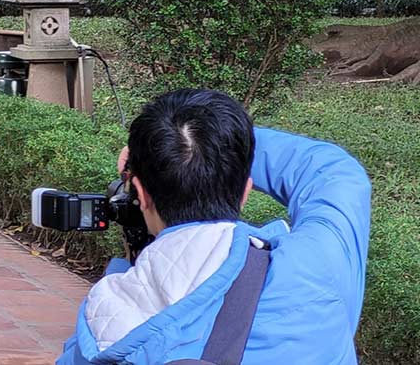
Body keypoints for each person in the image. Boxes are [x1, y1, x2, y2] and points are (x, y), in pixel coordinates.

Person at [58, 89, 371, 365]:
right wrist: (219, 147)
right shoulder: (319, 265)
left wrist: (171, 153)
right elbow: (334, 172)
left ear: (139, 194)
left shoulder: (100, 333)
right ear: (246, 190)